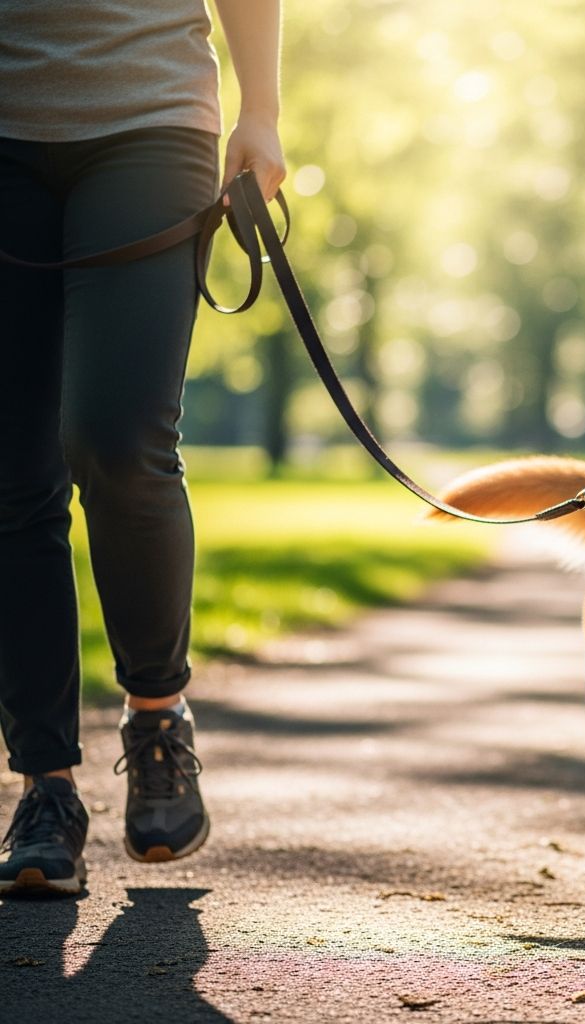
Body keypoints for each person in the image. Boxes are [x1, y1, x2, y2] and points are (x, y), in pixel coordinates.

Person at [0, 0, 286, 896]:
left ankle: (158, 718)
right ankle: (46, 789)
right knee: (12, 471)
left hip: (149, 117)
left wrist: (262, 109)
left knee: (118, 440)